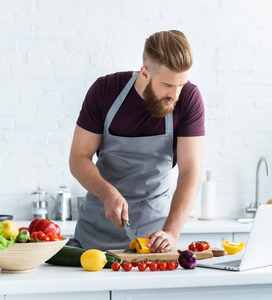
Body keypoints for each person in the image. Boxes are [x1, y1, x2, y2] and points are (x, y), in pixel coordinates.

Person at [70, 30, 205, 253]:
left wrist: (171, 233)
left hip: (152, 241)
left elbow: (190, 171)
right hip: (94, 236)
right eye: (167, 85)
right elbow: (78, 157)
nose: (176, 94)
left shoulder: (189, 99)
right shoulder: (104, 91)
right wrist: (107, 193)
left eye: (181, 84)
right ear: (144, 73)